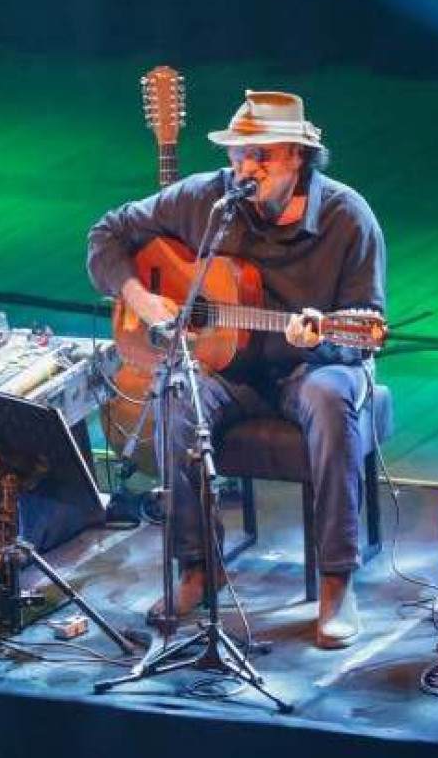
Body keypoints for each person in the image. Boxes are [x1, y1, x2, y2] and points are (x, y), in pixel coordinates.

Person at [87, 90, 386, 648]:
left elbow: (366, 328)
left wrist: (322, 336)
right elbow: (106, 235)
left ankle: (336, 582)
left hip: (313, 365)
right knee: (176, 392)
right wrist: (144, 299)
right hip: (228, 370)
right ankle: (197, 571)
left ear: (298, 156)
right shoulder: (206, 199)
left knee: (329, 397)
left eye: (262, 157)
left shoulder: (348, 217)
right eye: (237, 156)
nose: (246, 170)